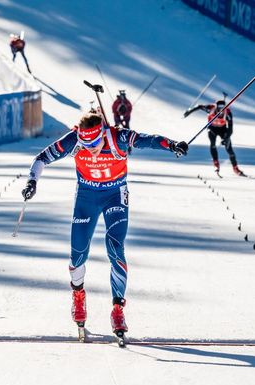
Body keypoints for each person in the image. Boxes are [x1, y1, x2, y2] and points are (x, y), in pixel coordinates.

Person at [21, 110, 188, 336]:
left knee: (115, 247)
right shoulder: (73, 140)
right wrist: (33, 182)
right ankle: (78, 294)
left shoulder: (117, 137)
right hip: (87, 198)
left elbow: (147, 140)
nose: (91, 149)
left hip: (115, 195)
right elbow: (42, 158)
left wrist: (172, 145)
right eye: (85, 144)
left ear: (102, 134)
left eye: (95, 144)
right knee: (78, 253)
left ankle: (118, 309)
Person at [184, 99, 245, 176]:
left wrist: (225, 138)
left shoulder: (228, 113)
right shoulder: (210, 108)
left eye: (223, 107)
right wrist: (189, 111)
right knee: (212, 144)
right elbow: (199, 107)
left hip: (223, 130)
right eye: (219, 107)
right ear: (216, 106)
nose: (221, 109)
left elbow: (230, 129)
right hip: (212, 129)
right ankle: (216, 164)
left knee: (229, 148)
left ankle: (235, 168)